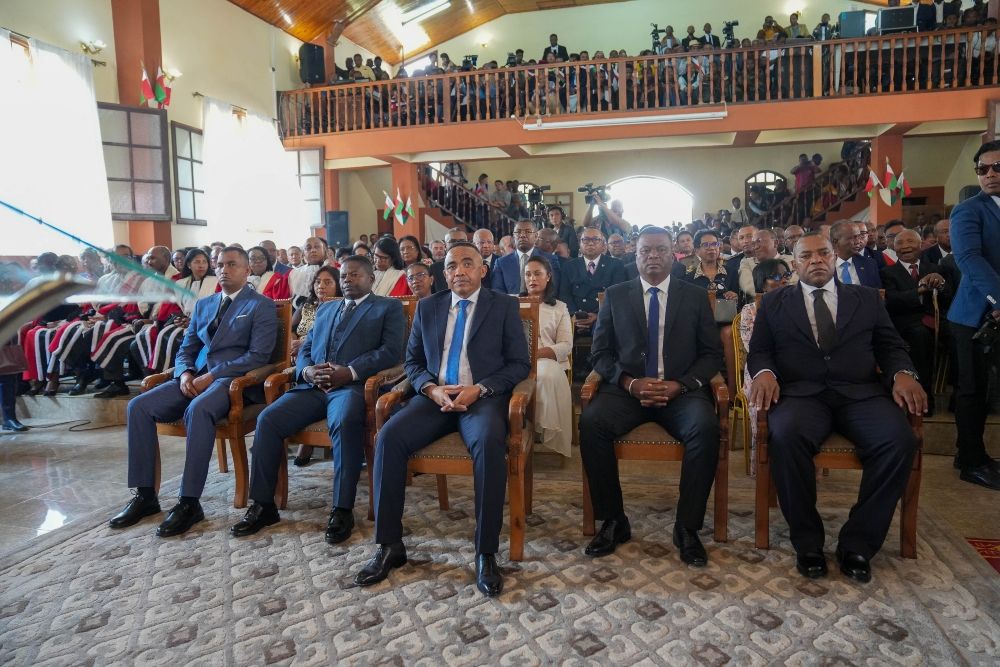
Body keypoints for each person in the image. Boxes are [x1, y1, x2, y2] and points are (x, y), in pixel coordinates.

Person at [747, 232, 926, 583]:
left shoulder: (867, 299)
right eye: (807, 256)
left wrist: (903, 373)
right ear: (794, 263)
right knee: (785, 437)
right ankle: (808, 542)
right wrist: (765, 372)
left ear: (834, 258)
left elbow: (890, 346)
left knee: (899, 440)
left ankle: (858, 543)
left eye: (823, 253)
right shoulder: (773, 303)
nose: (816, 260)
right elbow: (760, 350)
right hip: (802, 395)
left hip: (860, 393)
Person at [356, 242, 531, 597]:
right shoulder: (429, 307)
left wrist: (480, 389)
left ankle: (485, 552)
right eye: (452, 266)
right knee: (388, 437)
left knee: (488, 443)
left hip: (481, 398)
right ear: (444, 273)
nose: (460, 271)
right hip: (435, 397)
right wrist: (430, 388)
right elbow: (413, 363)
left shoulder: (503, 306)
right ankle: (390, 545)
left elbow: (518, 364)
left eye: (469, 264)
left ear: (483, 270)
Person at [231, 256, 405, 541]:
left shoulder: (387, 308)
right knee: (268, 419)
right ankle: (263, 505)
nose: (348, 279)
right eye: (345, 275)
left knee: (345, 421)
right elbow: (307, 348)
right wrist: (307, 371)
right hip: (313, 388)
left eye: (355, 275)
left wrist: (348, 373)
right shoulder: (326, 309)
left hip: (351, 387)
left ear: (371, 279)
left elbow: (390, 352)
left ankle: (342, 508)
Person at [109, 247, 279, 536]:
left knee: (198, 410)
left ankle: (189, 502)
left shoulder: (260, 305)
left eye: (232, 265)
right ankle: (145, 495)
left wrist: (212, 375)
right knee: (138, 407)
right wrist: (185, 372)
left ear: (247, 270)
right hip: (195, 377)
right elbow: (186, 348)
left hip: (231, 381)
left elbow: (258, 356)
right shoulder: (204, 305)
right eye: (220, 264)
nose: (224, 270)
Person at [579, 227, 723, 566]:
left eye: (661, 250)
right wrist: (630, 383)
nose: (653, 256)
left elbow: (710, 355)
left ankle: (686, 528)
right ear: (635, 254)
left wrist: (682, 385)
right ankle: (614, 520)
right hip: (628, 391)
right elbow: (599, 355)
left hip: (681, 392)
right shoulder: (615, 295)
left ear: (674, 254)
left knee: (706, 428)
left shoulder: (694, 296)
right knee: (591, 423)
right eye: (646, 251)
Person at [944, 140, 1000, 490]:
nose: (990, 174)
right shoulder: (969, 210)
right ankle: (971, 461)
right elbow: (969, 259)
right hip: (975, 314)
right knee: (973, 390)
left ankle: (970, 450)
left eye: (997, 167)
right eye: (983, 169)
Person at [881, 229, 950, 415]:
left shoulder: (935, 268)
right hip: (905, 322)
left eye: (910, 242)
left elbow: (948, 298)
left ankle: (960, 395)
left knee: (960, 335)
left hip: (935, 320)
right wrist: (919, 290)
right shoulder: (887, 272)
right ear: (893, 248)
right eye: (900, 243)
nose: (906, 247)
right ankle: (924, 398)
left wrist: (940, 285)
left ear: (921, 245)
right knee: (920, 336)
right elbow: (892, 300)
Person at [738, 258, 793, 474]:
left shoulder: (800, 304)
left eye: (786, 276)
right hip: (760, 368)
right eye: (776, 277)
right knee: (761, 396)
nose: (783, 281)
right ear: (762, 283)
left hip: (794, 367)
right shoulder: (751, 310)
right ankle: (762, 467)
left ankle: (795, 464)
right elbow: (753, 346)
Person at [288, 265, 341, 467]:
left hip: (322, 356)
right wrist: (294, 343)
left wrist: (303, 345)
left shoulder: (342, 306)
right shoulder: (307, 305)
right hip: (299, 356)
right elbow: (291, 328)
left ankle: (307, 444)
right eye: (318, 281)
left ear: (338, 285)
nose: (321, 286)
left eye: (328, 282)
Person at [523, 256, 573, 456]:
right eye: (527, 274)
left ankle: (541, 427)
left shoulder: (559, 307)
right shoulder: (511, 302)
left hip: (548, 359)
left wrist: (534, 355)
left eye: (537, 273)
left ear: (548, 277)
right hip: (516, 360)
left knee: (546, 375)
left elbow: (565, 345)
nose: (532, 278)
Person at [559, 228, 627, 334]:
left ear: (604, 245)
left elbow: (617, 295)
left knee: (603, 329)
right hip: (575, 316)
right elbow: (564, 294)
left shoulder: (615, 265)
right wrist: (575, 315)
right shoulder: (569, 266)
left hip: (603, 316)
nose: (590, 243)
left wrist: (597, 315)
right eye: (585, 240)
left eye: (596, 239)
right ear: (580, 244)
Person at [492, 220, 561, 295]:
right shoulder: (501, 263)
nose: (522, 235)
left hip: (542, 305)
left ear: (536, 236)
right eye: (518, 232)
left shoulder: (550, 259)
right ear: (513, 236)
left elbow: (554, 289)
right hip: (511, 305)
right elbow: (497, 291)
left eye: (528, 232)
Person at [683, 230, 733, 300]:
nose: (712, 248)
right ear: (697, 250)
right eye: (706, 245)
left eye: (715, 244)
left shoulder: (731, 273)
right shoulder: (689, 279)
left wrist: (735, 298)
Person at [830, 221, 882, 288]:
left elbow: (877, 294)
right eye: (853, 237)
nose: (858, 241)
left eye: (859, 237)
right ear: (835, 241)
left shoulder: (869, 264)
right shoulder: (824, 266)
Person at [289, 237, 328, 306]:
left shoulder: (332, 271)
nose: (313, 250)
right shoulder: (294, 273)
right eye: (308, 248)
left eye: (317, 247)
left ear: (324, 251)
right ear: (303, 254)